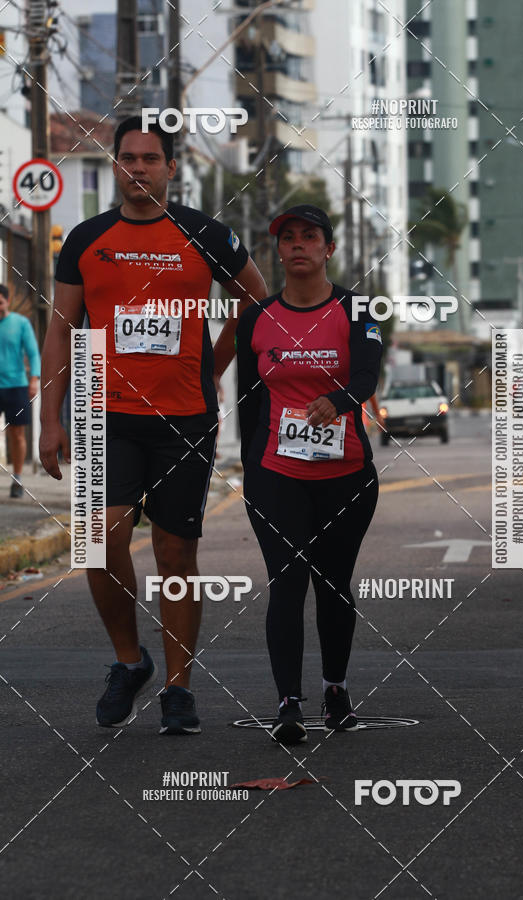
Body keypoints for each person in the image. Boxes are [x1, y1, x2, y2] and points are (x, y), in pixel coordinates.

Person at [40, 116, 266, 734]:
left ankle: (177, 687)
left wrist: (211, 368)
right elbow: (60, 328)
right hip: (103, 412)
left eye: (150, 159)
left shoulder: (203, 233)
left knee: (175, 551)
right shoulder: (85, 238)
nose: (137, 168)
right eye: (127, 158)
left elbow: (255, 299)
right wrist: (49, 419)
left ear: (170, 168)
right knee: (98, 539)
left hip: (185, 418)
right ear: (115, 165)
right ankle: (128, 660)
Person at [236, 205, 382, 744]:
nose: (298, 245)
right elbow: (250, 401)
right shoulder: (257, 317)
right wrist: (252, 467)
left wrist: (336, 400)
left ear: (328, 249)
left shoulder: (357, 308)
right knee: (288, 578)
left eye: (310, 237)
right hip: (276, 474)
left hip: (345, 475)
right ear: (278, 249)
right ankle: (288, 703)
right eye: (288, 238)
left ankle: (336, 689)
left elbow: (368, 373)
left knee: (332, 583)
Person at [0, 285, 40, 498]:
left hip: (16, 385)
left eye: (0, 303)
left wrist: (33, 379)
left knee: (17, 434)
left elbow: (33, 354)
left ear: (7, 301)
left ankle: (17, 479)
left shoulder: (20, 323)